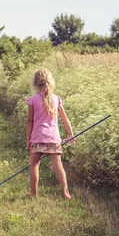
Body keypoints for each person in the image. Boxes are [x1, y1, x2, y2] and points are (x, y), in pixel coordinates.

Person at [26, 69, 75, 199]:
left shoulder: (32, 100)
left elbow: (29, 121)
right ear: (50, 82)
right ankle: (65, 192)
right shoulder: (56, 99)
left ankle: (34, 194)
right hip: (53, 138)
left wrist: (28, 140)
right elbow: (65, 118)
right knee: (58, 165)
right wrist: (71, 134)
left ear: (35, 84)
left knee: (34, 164)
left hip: (37, 137)